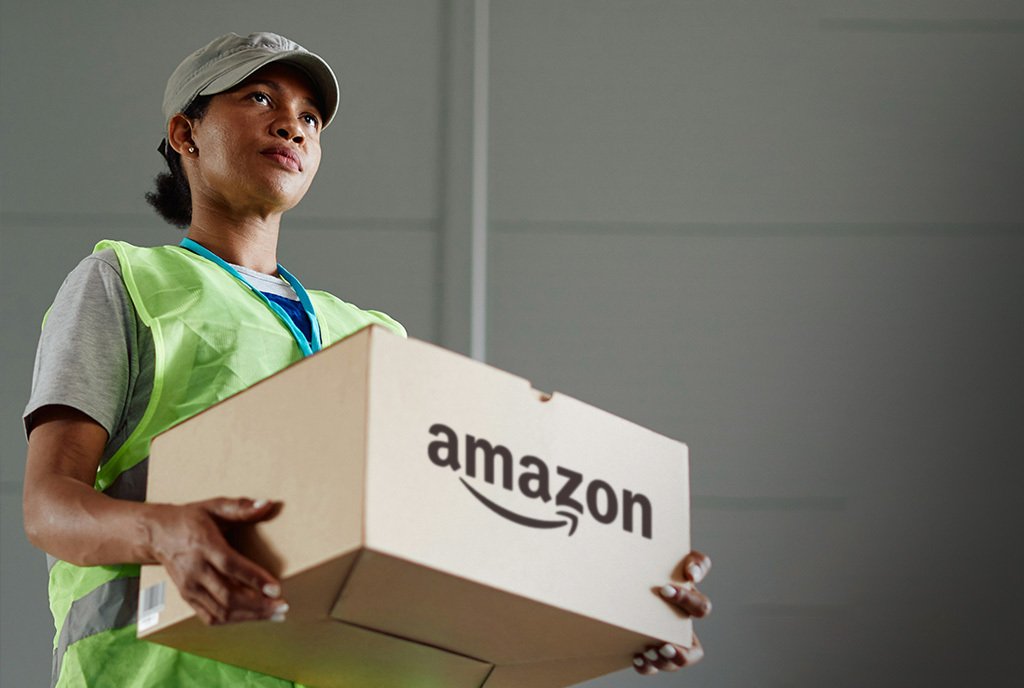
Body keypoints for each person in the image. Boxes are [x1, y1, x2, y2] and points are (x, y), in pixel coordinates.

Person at [22, 31, 710, 687]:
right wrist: (162, 532)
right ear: (185, 133)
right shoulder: (128, 281)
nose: (294, 126)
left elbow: (461, 526)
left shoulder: (371, 335)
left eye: (311, 118)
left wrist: (623, 595)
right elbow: (49, 508)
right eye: (260, 99)